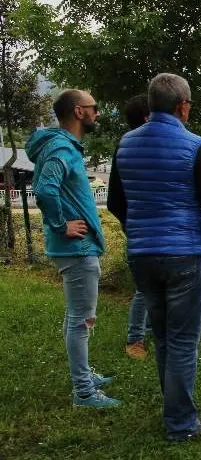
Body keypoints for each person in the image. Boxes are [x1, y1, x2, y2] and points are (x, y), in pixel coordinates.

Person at [108, 73, 201, 441]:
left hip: (143, 256)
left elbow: (115, 201)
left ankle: (174, 413)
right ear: (182, 106)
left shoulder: (125, 145)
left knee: (161, 336)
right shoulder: (195, 146)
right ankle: (181, 424)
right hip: (185, 255)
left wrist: (139, 233)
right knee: (182, 342)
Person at [25, 89, 121, 408]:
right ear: (79, 112)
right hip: (76, 249)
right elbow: (44, 189)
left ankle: (84, 376)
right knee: (82, 320)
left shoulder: (63, 147)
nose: (98, 113)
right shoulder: (61, 149)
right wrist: (61, 224)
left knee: (76, 316)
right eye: (94, 108)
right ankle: (84, 391)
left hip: (77, 248)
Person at [106, 94, 151, 359]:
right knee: (145, 286)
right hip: (142, 228)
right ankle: (136, 338)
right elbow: (114, 198)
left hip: (150, 227)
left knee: (157, 286)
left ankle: (151, 330)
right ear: (147, 118)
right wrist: (130, 223)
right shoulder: (127, 148)